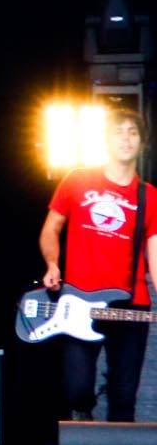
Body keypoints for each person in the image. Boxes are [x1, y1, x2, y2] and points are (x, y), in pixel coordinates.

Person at [39, 109, 157, 421]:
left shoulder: (149, 196)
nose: (126, 138)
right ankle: (84, 438)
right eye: (119, 131)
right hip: (78, 299)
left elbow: (155, 253)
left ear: (142, 142)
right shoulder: (77, 180)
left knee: (124, 396)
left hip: (130, 304)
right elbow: (51, 229)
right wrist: (53, 264)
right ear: (106, 139)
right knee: (76, 389)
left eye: (133, 132)